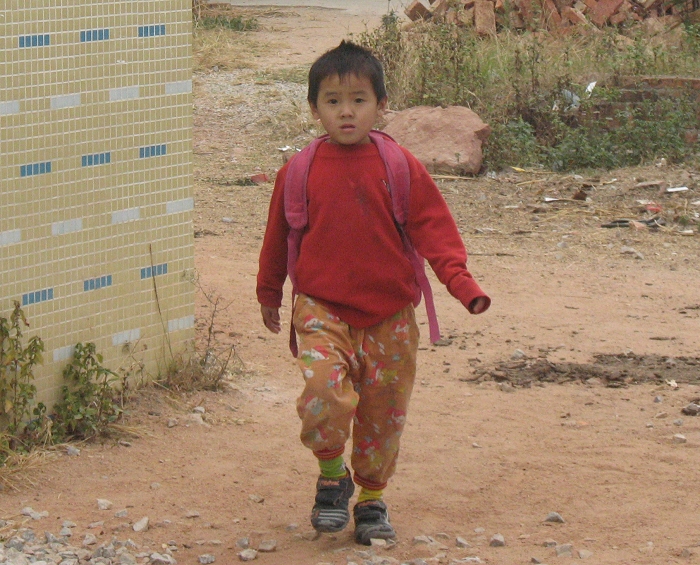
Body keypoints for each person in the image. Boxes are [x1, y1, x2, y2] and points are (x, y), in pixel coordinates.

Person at [256, 40, 490, 545]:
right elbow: (277, 237)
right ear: (314, 109)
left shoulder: (400, 166)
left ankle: (370, 500)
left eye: (359, 100)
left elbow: (435, 230)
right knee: (322, 391)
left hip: (391, 315)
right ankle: (332, 476)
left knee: (383, 413)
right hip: (320, 308)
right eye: (333, 101)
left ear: (381, 105)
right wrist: (269, 292)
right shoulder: (297, 172)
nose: (346, 112)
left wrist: (461, 283)